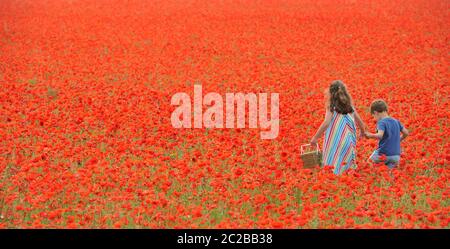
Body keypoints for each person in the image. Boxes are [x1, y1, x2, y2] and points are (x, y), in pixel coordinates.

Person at [310, 80, 366, 175]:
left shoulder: (331, 107)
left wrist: (315, 138)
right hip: (349, 141)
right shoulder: (350, 106)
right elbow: (360, 121)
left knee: (333, 164)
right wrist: (363, 132)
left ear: (331, 94)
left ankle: (334, 181)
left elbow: (326, 123)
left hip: (335, 141)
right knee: (346, 167)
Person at [365, 99, 409, 169]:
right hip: (396, 156)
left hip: (383, 153)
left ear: (375, 113)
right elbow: (406, 133)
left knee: (368, 163)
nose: (375, 118)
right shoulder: (396, 121)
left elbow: (380, 135)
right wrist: (399, 139)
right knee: (389, 175)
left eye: (373, 116)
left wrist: (370, 135)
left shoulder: (382, 122)